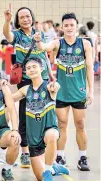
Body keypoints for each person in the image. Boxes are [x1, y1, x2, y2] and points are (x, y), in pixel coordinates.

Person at [36, 13, 94, 171]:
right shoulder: (57, 43)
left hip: (79, 92)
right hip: (61, 93)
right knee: (62, 125)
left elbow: (89, 68)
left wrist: (91, 91)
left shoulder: (85, 45)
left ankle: (82, 157)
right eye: (66, 25)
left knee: (80, 124)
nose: (69, 28)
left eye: (72, 25)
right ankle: (60, 156)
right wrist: (38, 40)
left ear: (76, 26)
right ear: (62, 27)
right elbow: (43, 48)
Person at [3, 5, 52, 167]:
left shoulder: (40, 34)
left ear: (32, 17)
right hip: (26, 79)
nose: (25, 19)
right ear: (18, 20)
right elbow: (7, 35)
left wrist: (51, 75)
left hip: (42, 78)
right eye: (22, 17)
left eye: (28, 16)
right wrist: (7, 21)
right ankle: (25, 152)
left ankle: (42, 148)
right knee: (25, 114)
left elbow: (44, 54)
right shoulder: (17, 35)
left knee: (43, 113)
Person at [12, 58, 69, 181]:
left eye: (34, 66)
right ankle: (54, 167)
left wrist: (55, 86)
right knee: (40, 178)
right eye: (28, 68)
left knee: (52, 135)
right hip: (34, 138)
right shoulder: (25, 89)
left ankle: (48, 169)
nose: (31, 69)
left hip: (48, 129)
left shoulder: (49, 86)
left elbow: (55, 87)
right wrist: (3, 86)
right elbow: (9, 100)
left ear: (42, 68)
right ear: (25, 72)